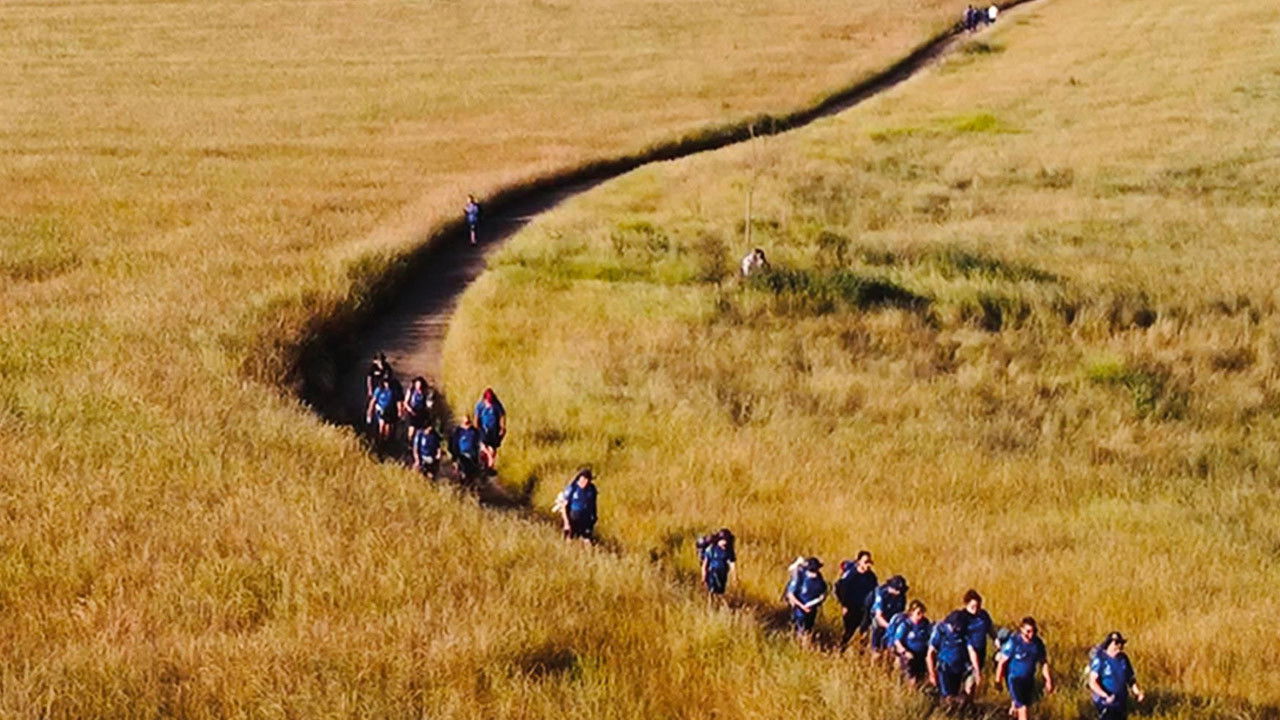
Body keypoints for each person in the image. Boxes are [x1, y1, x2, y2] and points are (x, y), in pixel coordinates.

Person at [995, 616, 1054, 720]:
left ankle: (1012, 713)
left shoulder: (1037, 644)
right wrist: (998, 680)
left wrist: (1048, 680)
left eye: (1033, 631)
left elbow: (1043, 662)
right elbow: (1002, 662)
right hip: (1014, 679)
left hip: (1029, 679)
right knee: (1023, 708)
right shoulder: (1014, 642)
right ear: (1021, 630)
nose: (1030, 635)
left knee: (1023, 706)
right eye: (1028, 631)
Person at [928, 609, 981, 707]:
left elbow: (971, 650)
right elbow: (930, 653)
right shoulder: (940, 630)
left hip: (959, 667)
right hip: (945, 667)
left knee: (957, 693)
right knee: (948, 696)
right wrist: (932, 673)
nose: (956, 629)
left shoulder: (963, 631)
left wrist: (977, 671)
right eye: (954, 626)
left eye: (958, 626)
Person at [1088, 632, 1144, 720]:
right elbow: (1092, 682)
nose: (1119, 646)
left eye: (1121, 643)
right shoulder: (1100, 659)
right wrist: (1105, 696)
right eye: (1116, 643)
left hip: (1121, 702)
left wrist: (1137, 692)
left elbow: (1130, 678)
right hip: (1106, 703)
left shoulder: (1123, 659)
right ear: (1109, 644)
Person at [834, 550, 878, 650]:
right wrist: (844, 605)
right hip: (851, 608)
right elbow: (841, 590)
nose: (868, 565)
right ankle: (841, 648)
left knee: (865, 632)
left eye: (869, 562)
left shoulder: (871, 577)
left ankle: (861, 651)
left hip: (865, 608)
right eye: (865, 562)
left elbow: (875, 591)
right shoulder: (850, 576)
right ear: (859, 562)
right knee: (849, 631)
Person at [889, 600, 932, 688]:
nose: (921, 616)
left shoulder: (925, 623)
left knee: (921, 678)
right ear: (912, 613)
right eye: (918, 613)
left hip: (921, 655)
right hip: (909, 656)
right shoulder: (905, 625)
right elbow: (897, 641)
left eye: (922, 613)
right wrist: (905, 652)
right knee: (912, 679)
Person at [785, 557, 827, 645]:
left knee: (808, 629)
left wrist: (820, 599)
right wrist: (802, 606)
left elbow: (823, 591)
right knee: (801, 630)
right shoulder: (799, 578)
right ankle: (802, 646)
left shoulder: (819, 578)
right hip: (799, 611)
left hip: (812, 610)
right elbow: (791, 595)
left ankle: (803, 644)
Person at [962, 589, 998, 691]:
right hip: (967, 652)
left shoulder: (983, 615)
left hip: (981, 650)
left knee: (974, 681)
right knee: (970, 678)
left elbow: (990, 628)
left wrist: (995, 640)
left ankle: (969, 700)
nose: (975, 609)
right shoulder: (962, 617)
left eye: (977, 606)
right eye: (972, 607)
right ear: (966, 605)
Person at [869, 575, 909, 659]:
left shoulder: (901, 597)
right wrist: (889, 626)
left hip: (892, 619)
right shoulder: (882, 594)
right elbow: (878, 616)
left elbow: (900, 614)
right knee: (877, 629)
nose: (899, 593)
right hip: (880, 619)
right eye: (897, 590)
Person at [560, 468, 598, 543]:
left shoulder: (592, 489)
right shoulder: (572, 488)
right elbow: (564, 506)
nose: (585, 482)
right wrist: (566, 522)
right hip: (573, 517)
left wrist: (594, 516)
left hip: (586, 517)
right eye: (584, 479)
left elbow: (593, 503)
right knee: (570, 539)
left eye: (588, 480)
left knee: (587, 539)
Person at [474, 387, 506, 471]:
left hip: (494, 429)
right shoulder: (480, 406)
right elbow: (476, 418)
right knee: (484, 447)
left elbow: (502, 415)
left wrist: (502, 427)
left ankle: (489, 467)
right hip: (483, 429)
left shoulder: (497, 405)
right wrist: (477, 428)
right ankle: (488, 462)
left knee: (492, 449)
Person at [700, 529, 736, 600]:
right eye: (723, 540)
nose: (725, 543)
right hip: (713, 572)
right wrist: (704, 575)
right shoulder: (711, 549)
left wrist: (734, 576)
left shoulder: (728, 551)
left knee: (720, 591)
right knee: (712, 590)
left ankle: (718, 603)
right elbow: (705, 564)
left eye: (726, 541)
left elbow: (732, 564)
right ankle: (711, 604)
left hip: (723, 573)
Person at [448, 416, 483, 482]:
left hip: (472, 456)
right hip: (461, 456)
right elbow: (453, 445)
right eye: (465, 423)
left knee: (473, 474)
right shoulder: (457, 432)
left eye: (468, 423)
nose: (467, 425)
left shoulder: (474, 432)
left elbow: (479, 443)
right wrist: (454, 459)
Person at [365, 376, 399, 441]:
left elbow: (396, 401)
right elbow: (373, 401)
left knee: (387, 429)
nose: (387, 384)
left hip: (389, 411)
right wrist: (370, 411)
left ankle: (385, 441)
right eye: (386, 382)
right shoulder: (379, 390)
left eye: (388, 382)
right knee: (382, 425)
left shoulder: (393, 390)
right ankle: (380, 441)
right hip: (380, 410)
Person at [402, 376, 434, 443]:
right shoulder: (411, 391)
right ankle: (409, 443)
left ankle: (415, 445)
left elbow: (427, 404)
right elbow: (405, 402)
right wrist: (410, 409)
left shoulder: (424, 392)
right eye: (417, 384)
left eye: (419, 384)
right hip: (411, 412)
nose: (418, 386)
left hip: (420, 412)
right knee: (412, 429)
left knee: (418, 431)